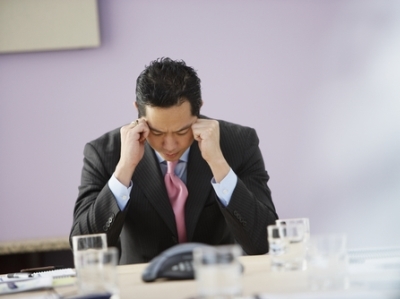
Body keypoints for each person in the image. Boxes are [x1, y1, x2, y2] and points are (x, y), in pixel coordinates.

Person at [70, 57, 278, 264]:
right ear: (137, 111)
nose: (170, 145)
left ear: (199, 111)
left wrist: (218, 163)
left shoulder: (239, 143)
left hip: (218, 280)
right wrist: (125, 168)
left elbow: (263, 242)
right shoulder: (103, 152)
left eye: (182, 131)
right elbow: (85, 248)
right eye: (157, 131)